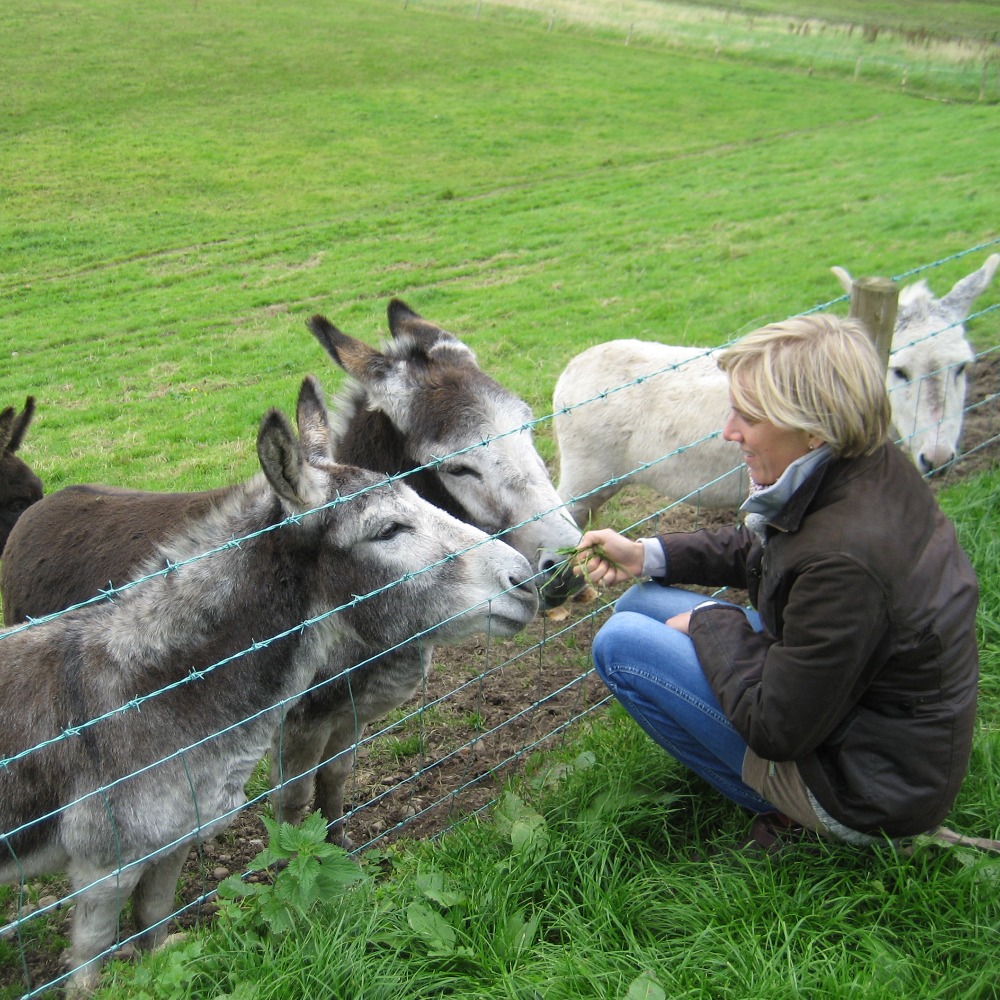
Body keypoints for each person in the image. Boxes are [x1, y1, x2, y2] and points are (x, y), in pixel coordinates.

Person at [574, 314, 979, 851]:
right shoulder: (863, 466)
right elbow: (769, 551)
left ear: (812, 427)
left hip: (866, 795)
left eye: (749, 415)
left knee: (620, 644)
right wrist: (645, 554)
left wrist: (710, 622)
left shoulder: (844, 559)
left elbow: (777, 730)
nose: (729, 431)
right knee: (640, 601)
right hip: (875, 732)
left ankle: (792, 815)